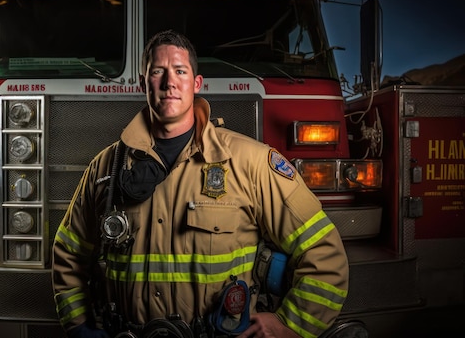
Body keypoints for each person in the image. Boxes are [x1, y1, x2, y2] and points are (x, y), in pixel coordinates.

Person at [52, 30, 349, 338]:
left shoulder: (251, 163)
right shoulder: (105, 169)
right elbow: (68, 253)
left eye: (180, 71)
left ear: (196, 83)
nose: (169, 83)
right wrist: (78, 327)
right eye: (158, 72)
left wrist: (290, 324)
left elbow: (324, 254)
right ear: (144, 83)